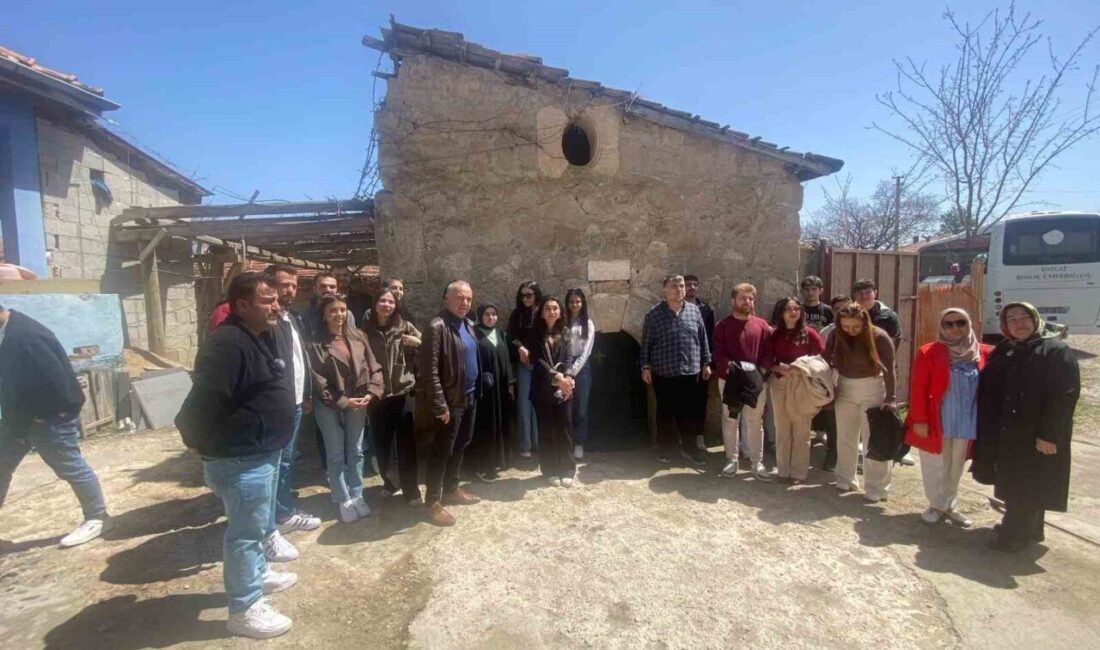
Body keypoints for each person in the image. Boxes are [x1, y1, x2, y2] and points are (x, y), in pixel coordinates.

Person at [175, 272, 298, 639]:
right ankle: (244, 608)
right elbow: (201, 402)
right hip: (241, 457)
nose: (276, 306)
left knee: (257, 526)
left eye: (276, 299)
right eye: (267, 300)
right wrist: (194, 440)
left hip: (263, 451)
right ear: (242, 305)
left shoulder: (258, 334)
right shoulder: (227, 344)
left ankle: (257, 575)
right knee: (245, 533)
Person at [974, 303, 1080, 552]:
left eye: (1024, 318)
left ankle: (1014, 538)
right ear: (1005, 325)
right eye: (1012, 319)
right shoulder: (1007, 349)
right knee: (1022, 482)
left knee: (1026, 483)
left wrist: (1049, 435)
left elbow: (1064, 396)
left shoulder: (1054, 350)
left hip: (1036, 433)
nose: (1019, 323)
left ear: (1035, 320)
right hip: (1010, 432)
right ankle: (1031, 529)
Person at [0, 305, 109, 548]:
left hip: (46, 418)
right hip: (18, 419)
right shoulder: (11, 330)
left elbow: (57, 380)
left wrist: (45, 415)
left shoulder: (26, 336)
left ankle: (97, 518)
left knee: (70, 467)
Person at [905, 308, 992, 527]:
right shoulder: (929, 352)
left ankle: (951, 504)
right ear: (941, 327)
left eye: (961, 322)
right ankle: (936, 505)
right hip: (937, 418)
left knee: (956, 464)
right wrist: (920, 419)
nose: (955, 328)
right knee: (936, 464)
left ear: (969, 324)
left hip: (967, 418)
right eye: (949, 324)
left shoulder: (983, 352)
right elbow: (918, 388)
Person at [307, 293, 383, 523]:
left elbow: (374, 366)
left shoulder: (358, 336)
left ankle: (357, 493)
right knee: (336, 452)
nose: (339, 314)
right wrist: (343, 401)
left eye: (342, 309)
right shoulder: (315, 342)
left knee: (357, 450)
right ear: (324, 315)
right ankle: (343, 498)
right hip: (329, 403)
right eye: (333, 310)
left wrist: (372, 391)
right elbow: (318, 380)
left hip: (359, 400)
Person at [418, 280, 483, 527]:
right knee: (442, 450)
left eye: (468, 298)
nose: (464, 302)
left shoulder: (468, 324)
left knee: (461, 444)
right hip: (450, 401)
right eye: (459, 297)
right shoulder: (436, 327)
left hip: (470, 396)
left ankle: (452, 489)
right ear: (446, 298)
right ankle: (432, 502)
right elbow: (429, 370)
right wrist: (440, 405)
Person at [264, 265, 321, 545]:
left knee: (286, 460)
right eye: (284, 284)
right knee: (275, 462)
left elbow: (300, 360)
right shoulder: (267, 322)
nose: (290, 290)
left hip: (296, 401)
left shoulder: (291, 317)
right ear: (269, 286)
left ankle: (281, 511)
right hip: (278, 405)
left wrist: (306, 394)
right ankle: (279, 517)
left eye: (294, 286)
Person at [824, 304, 897, 502]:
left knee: (873, 439)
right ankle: (845, 477)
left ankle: (877, 487)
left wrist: (891, 397)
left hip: (872, 388)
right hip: (844, 386)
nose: (851, 330)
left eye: (855, 326)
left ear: (865, 322)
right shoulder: (835, 335)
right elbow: (825, 359)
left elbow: (890, 369)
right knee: (845, 436)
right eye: (846, 326)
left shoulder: (880, 336)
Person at [640, 274, 712, 467]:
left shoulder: (694, 311)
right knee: (665, 412)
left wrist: (706, 362)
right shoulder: (654, 314)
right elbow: (646, 343)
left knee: (688, 412)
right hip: (663, 371)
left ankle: (689, 449)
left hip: (690, 370)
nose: (679, 289)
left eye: (681, 286)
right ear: (665, 289)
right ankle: (664, 449)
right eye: (673, 286)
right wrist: (645, 366)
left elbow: (702, 338)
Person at [363, 289, 423, 505]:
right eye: (382, 300)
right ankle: (390, 482)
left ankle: (411, 489)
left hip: (402, 392)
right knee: (382, 444)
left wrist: (417, 342)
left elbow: (427, 345)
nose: (387, 305)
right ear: (375, 304)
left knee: (406, 444)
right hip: (378, 395)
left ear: (396, 305)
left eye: (391, 302)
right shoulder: (365, 331)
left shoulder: (404, 326)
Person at [712, 283, 772, 480]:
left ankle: (757, 462)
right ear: (733, 301)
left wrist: (759, 374)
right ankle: (731, 459)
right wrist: (732, 371)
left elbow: (769, 353)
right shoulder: (722, 326)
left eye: (750, 298)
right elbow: (718, 353)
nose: (747, 302)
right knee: (730, 420)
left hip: (756, 382)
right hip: (730, 381)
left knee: (754, 421)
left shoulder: (762, 326)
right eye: (743, 298)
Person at [767, 297, 825, 483]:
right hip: (779, 382)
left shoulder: (810, 334)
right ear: (781, 312)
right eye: (788, 309)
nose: (793, 312)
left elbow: (821, 360)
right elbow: (766, 358)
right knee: (782, 428)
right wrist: (777, 367)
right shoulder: (774, 334)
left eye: (796, 308)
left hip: (802, 384)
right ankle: (783, 471)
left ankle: (798, 473)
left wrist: (799, 369)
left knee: (801, 429)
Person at [527, 296, 579, 486]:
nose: (551, 312)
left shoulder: (565, 332)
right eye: (547, 308)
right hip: (542, 388)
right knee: (546, 430)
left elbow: (568, 358)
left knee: (565, 429)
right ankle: (549, 470)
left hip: (563, 388)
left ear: (560, 312)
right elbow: (536, 360)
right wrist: (557, 377)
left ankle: (568, 469)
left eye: (555, 308)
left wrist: (568, 378)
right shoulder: (534, 333)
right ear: (541, 312)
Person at [468, 303, 515, 483]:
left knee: (500, 422)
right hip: (484, 389)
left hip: (501, 388)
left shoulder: (500, 334)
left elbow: (507, 361)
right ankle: (482, 465)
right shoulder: (474, 333)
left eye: (494, 314)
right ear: (480, 316)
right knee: (485, 424)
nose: (490, 317)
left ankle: (497, 461)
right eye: (487, 314)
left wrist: (510, 383)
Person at [814, 295, 852, 471]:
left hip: (856, 382)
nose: (841, 312)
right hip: (833, 382)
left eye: (845, 309)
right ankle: (832, 457)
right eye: (837, 309)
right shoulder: (827, 332)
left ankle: (851, 462)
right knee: (833, 422)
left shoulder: (862, 330)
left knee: (852, 423)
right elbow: (822, 358)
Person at [506, 281, 542, 458]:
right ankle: (525, 444)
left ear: (536, 295)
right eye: (522, 295)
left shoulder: (543, 311)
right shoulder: (517, 314)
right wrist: (520, 347)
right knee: (524, 403)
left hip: (542, 365)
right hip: (524, 365)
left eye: (529, 295)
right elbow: (511, 336)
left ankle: (540, 443)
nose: (525, 298)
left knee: (541, 403)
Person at [684, 274, 716, 452]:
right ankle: (683, 437)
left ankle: (699, 435)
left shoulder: (705, 310)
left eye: (695, 284)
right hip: (682, 364)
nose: (692, 287)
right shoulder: (674, 308)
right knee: (683, 401)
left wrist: (708, 363)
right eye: (688, 284)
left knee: (700, 401)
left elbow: (710, 338)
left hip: (701, 363)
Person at [564, 288, 596, 459]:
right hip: (565, 366)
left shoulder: (588, 324)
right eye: (571, 302)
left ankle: (579, 443)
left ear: (582, 303)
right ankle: (567, 442)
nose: (574, 305)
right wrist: (566, 371)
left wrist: (572, 372)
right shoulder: (563, 322)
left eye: (577, 301)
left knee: (581, 408)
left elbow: (586, 352)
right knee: (566, 407)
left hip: (582, 368)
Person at [303, 272, 356, 341]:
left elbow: (352, 339)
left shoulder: (347, 315)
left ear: (337, 289)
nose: (328, 290)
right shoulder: (305, 316)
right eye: (323, 286)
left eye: (332, 287)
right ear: (315, 289)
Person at [851, 278, 901, 347]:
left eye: (868, 292)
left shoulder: (888, 316)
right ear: (854, 295)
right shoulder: (847, 314)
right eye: (860, 293)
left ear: (875, 293)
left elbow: (894, 341)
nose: (864, 296)